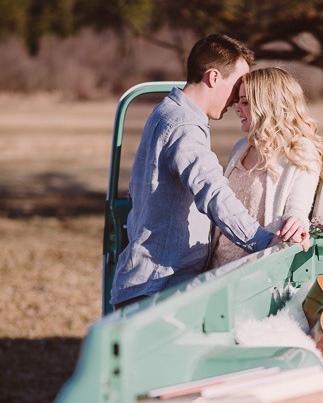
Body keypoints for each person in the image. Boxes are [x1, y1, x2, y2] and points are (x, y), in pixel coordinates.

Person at [111, 34, 282, 308]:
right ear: (213, 77)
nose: (237, 101)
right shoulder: (183, 126)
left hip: (149, 284)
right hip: (157, 289)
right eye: (237, 85)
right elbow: (212, 191)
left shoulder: (166, 112)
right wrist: (265, 241)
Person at [209, 67, 323, 269]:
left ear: (268, 105)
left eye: (245, 102)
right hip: (216, 269)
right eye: (238, 101)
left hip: (255, 272)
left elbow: (298, 207)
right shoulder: (242, 147)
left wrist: (296, 224)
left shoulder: (300, 150)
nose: (237, 108)